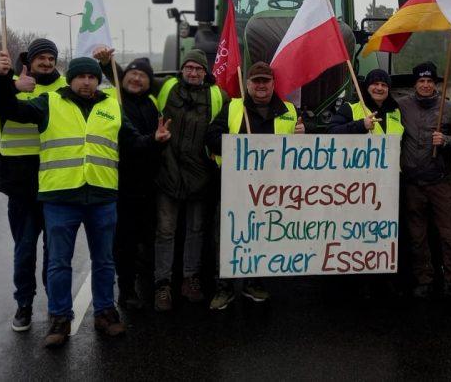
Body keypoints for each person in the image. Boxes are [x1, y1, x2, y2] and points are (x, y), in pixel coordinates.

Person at [0, 52, 170, 348]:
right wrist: (3, 79)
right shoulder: (49, 103)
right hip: (61, 198)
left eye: (91, 77)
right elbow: (10, 110)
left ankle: (104, 312)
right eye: (81, 77)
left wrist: (154, 139)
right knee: (59, 263)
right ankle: (60, 317)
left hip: (102, 197)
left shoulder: (112, 107)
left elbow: (132, 143)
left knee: (104, 261)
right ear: (71, 78)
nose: (87, 82)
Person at [0, 38, 64, 332]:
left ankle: (54, 304)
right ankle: (24, 304)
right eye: (41, 58)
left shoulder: (62, 89)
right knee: (24, 249)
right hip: (19, 183)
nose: (46, 63)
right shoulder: (9, 82)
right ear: (31, 60)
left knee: (55, 251)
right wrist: (8, 83)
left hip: (55, 181)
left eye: (51, 58)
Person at [206, 61, 305, 309]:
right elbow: (211, 137)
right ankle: (224, 288)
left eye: (266, 81)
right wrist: (240, 148)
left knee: (262, 236)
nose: (261, 86)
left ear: (273, 84)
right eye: (256, 81)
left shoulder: (290, 111)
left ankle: (254, 283)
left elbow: (304, 151)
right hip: (234, 188)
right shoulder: (232, 107)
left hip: (271, 191)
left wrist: (305, 134)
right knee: (226, 238)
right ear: (247, 84)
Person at [144, 49, 227, 312]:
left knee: (196, 231)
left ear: (206, 72)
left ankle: (190, 280)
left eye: (198, 69)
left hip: (200, 175)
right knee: (165, 231)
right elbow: (132, 84)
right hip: (168, 173)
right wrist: (104, 65)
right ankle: (162, 284)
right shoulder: (166, 88)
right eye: (189, 67)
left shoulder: (217, 96)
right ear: (182, 69)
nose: (193, 72)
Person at [397, 62, 451, 302]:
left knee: (450, 236)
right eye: (422, 81)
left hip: (440, 182)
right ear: (415, 84)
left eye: (430, 81)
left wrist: (448, 140)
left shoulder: (448, 108)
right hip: (412, 184)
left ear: (436, 84)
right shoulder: (401, 107)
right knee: (417, 237)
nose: (426, 85)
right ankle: (424, 280)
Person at [94, 50, 163, 310]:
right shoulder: (112, 100)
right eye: (132, 73)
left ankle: (146, 283)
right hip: (120, 184)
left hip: (150, 184)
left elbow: (157, 141)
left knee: (149, 237)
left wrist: (158, 145)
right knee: (125, 241)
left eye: (142, 75)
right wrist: (105, 63)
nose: (136, 78)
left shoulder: (153, 103)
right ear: (123, 78)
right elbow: (131, 140)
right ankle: (126, 289)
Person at [329, 68, 402, 135]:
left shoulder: (396, 111)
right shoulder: (349, 109)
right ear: (367, 87)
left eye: (384, 85)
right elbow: (331, 132)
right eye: (375, 83)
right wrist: (361, 125)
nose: (379, 88)